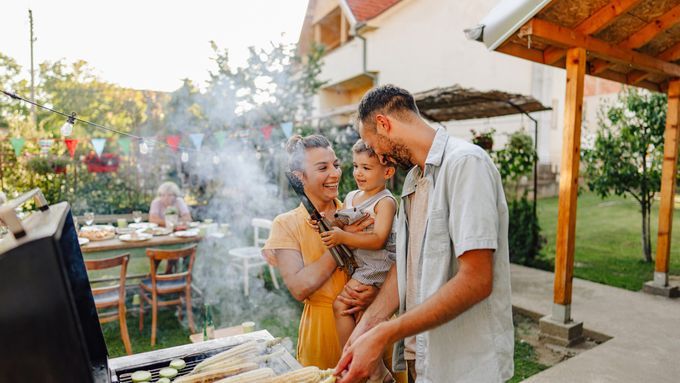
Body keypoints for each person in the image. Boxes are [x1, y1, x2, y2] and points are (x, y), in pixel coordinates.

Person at [335, 85, 514, 383]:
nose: (378, 155)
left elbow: (477, 279)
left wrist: (385, 334)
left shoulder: (466, 164)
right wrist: (366, 327)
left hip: (464, 364)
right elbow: (406, 266)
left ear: (384, 124)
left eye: (372, 144)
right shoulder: (414, 181)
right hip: (422, 357)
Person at [261, 134, 378, 369]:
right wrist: (345, 242)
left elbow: (383, 263)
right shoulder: (286, 224)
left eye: (335, 164)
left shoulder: (358, 213)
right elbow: (299, 287)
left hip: (371, 325)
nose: (335, 173)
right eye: (323, 167)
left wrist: (375, 293)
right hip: (324, 332)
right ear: (299, 176)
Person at [320, 139, 397, 383]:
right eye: (355, 166)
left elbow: (378, 239)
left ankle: (353, 362)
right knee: (358, 314)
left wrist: (343, 236)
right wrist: (325, 222)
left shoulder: (385, 202)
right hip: (358, 265)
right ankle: (377, 372)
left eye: (366, 167)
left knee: (341, 306)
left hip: (377, 266)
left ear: (387, 171)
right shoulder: (352, 196)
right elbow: (339, 223)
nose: (358, 173)